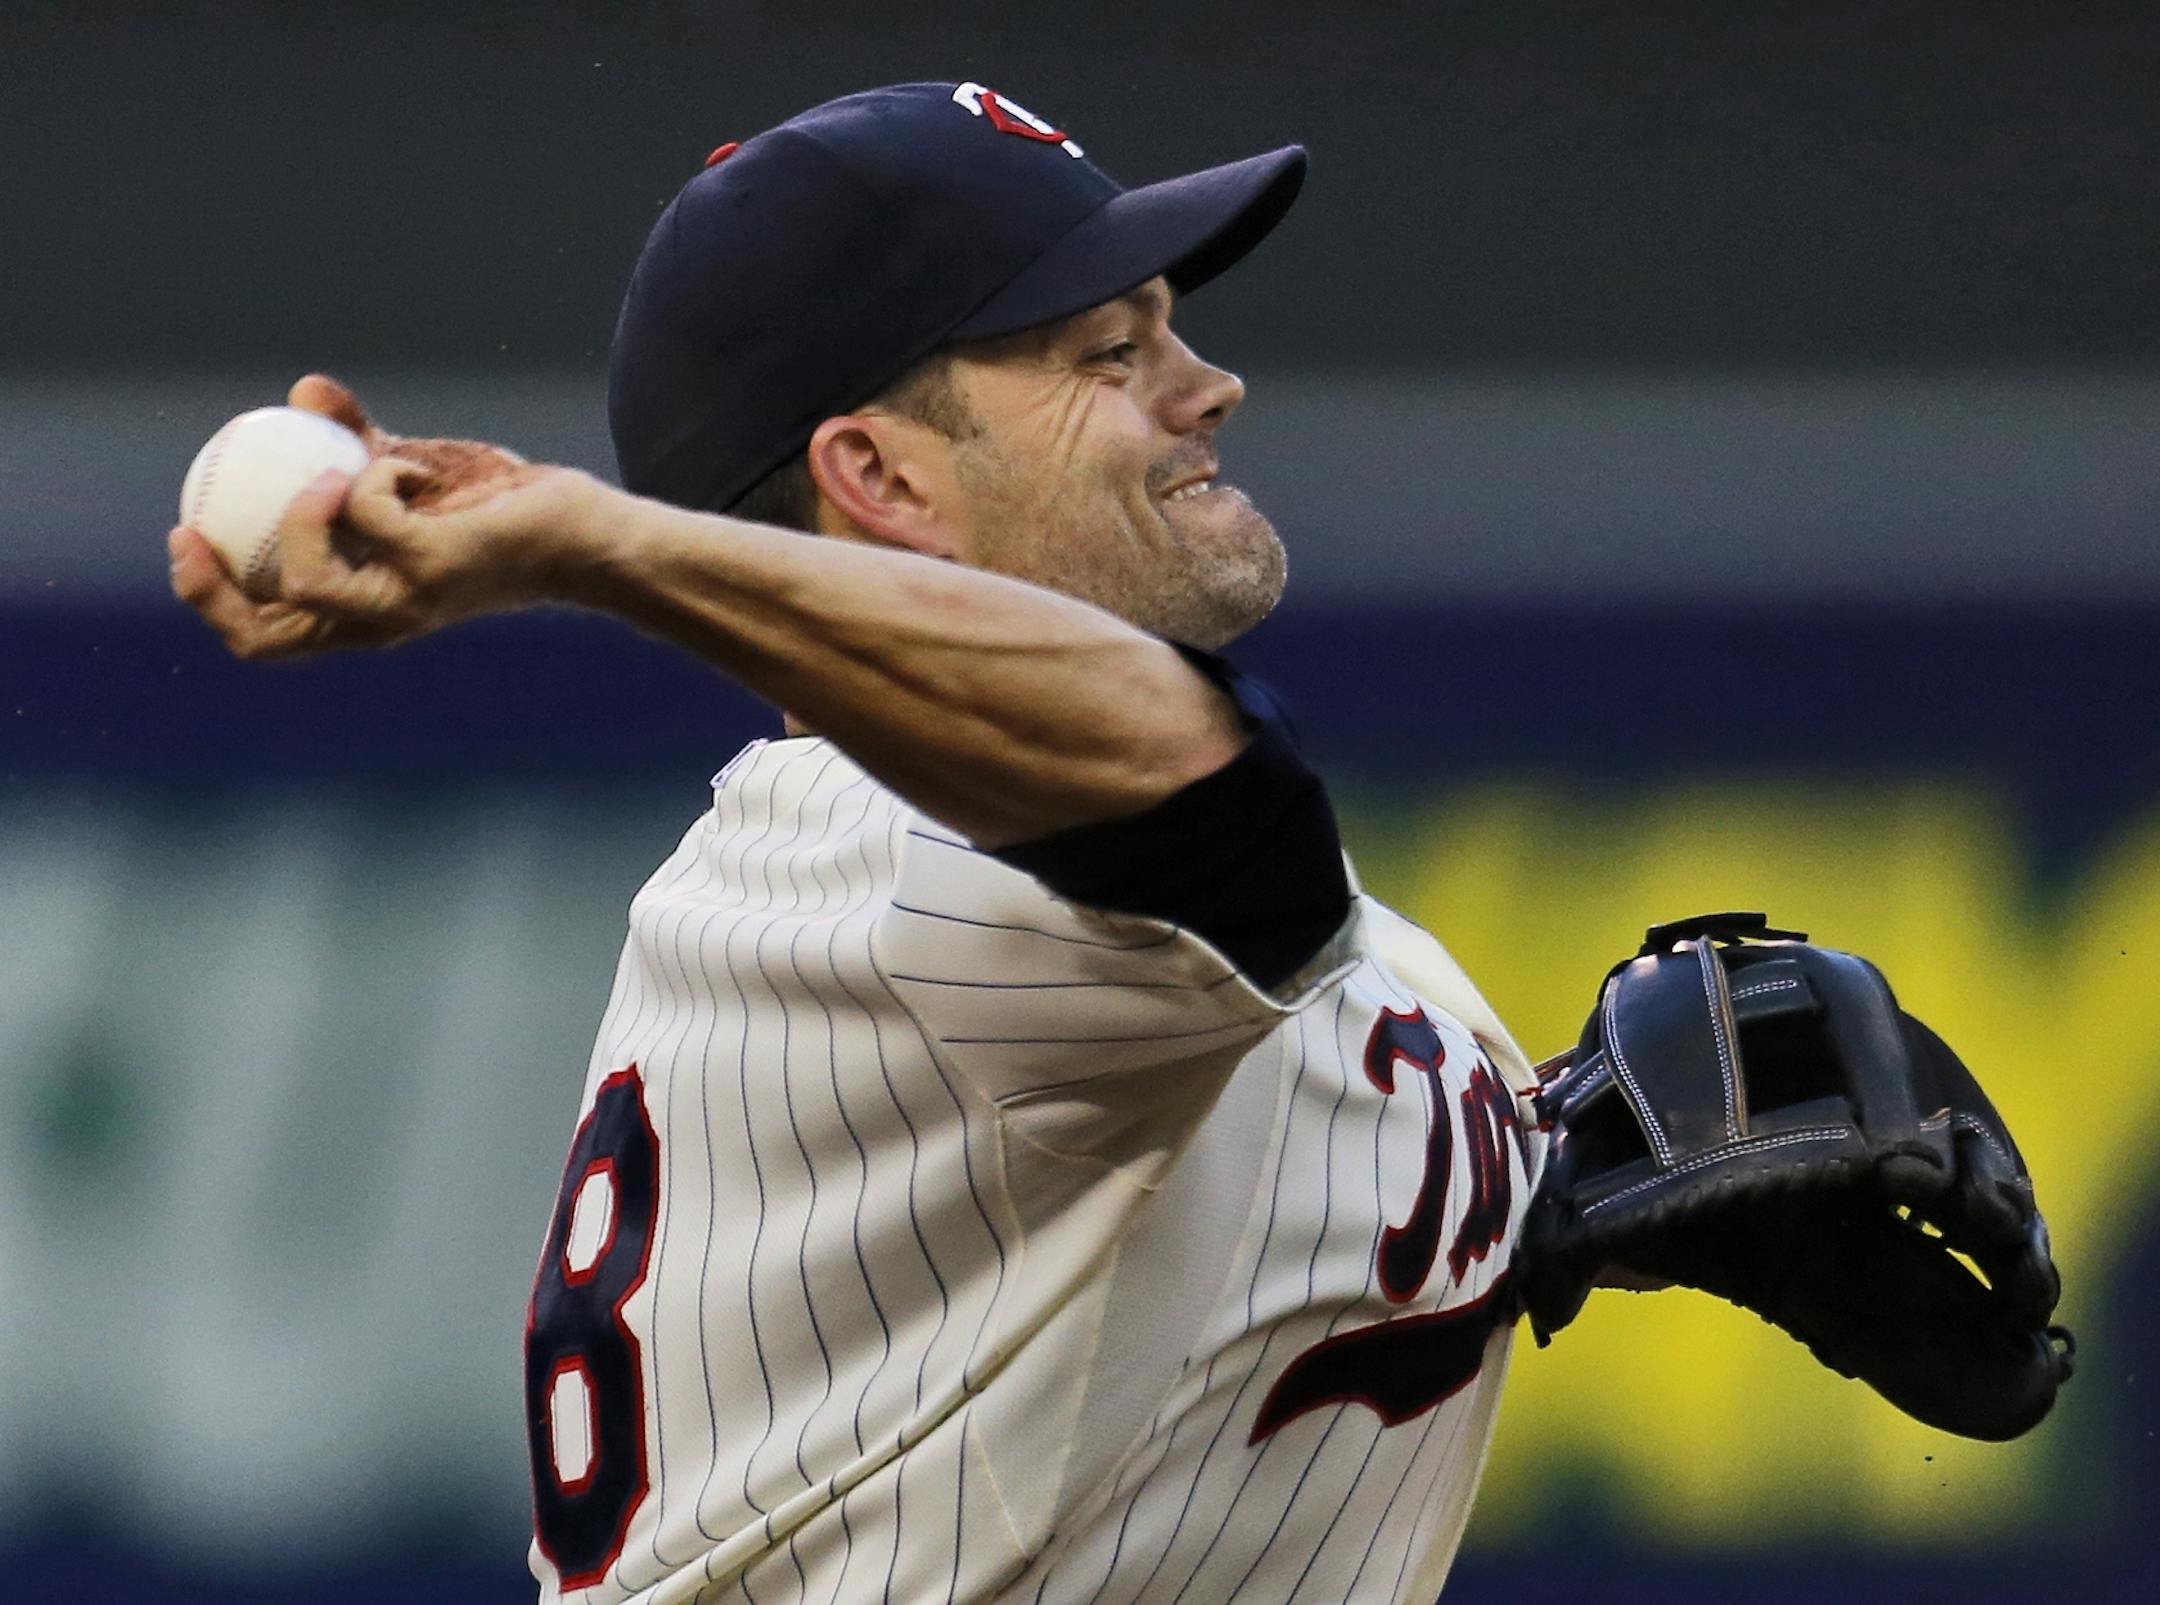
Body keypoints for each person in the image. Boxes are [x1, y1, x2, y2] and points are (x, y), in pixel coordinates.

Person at [170, 82, 1543, 1605]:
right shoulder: (906, 864)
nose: (1207, 383)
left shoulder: (995, 856)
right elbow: (1217, 816)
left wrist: (1570, 1170)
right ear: (881, 479)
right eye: (1112, 349)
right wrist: (584, 543)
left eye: (1172, 324)